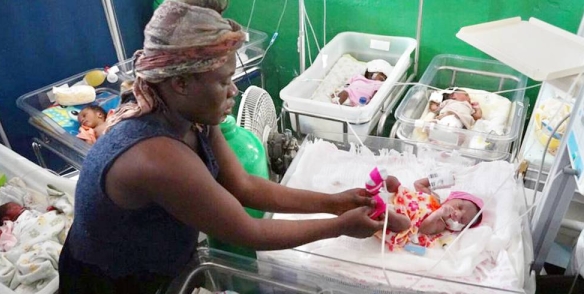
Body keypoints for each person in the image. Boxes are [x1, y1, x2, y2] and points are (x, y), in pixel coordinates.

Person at [58, 1, 395, 293]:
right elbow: (250, 231)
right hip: (113, 282)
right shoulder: (155, 156)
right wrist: (340, 227)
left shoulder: (193, 116)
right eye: (223, 82)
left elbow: (244, 187)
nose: (233, 90)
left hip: (161, 259)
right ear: (181, 83)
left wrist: (335, 203)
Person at [376, 176, 483, 250]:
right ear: (453, 198)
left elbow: (424, 227)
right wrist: (442, 179)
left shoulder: (440, 223)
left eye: (461, 220)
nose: (457, 214)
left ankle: (381, 211)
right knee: (394, 182)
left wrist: (438, 214)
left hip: (399, 218)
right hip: (396, 200)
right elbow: (418, 184)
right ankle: (375, 183)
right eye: (459, 207)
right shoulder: (434, 198)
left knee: (403, 223)